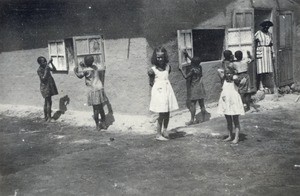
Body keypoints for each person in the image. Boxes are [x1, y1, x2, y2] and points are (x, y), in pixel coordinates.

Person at [148, 47, 179, 141]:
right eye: (158, 57)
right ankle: (158, 134)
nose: (160, 59)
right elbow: (151, 83)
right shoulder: (152, 70)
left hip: (167, 90)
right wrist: (158, 90)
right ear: (155, 57)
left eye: (162, 57)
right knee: (161, 113)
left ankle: (165, 130)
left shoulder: (168, 67)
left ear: (165, 57)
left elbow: (166, 77)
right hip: (159, 92)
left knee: (167, 111)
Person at [217, 51, 245, 144]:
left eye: (230, 73)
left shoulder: (235, 79)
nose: (228, 75)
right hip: (226, 100)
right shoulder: (224, 80)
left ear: (233, 73)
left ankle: (236, 137)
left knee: (235, 119)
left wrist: (237, 78)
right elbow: (219, 72)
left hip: (233, 100)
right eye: (227, 73)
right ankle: (230, 135)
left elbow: (240, 83)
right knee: (228, 118)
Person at [74, 55, 107, 131]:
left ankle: (97, 125)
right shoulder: (95, 67)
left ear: (85, 62)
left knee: (95, 109)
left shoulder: (85, 70)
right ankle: (104, 124)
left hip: (92, 90)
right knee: (101, 107)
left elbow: (80, 76)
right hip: (99, 88)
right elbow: (89, 67)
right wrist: (84, 65)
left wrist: (75, 71)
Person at [180, 50, 206, 125]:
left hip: (194, 88)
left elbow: (185, 77)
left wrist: (181, 70)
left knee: (193, 104)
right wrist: (188, 56)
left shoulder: (192, 70)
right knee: (202, 104)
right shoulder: (199, 67)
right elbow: (194, 62)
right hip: (201, 87)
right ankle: (203, 119)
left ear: (193, 63)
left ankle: (192, 120)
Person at [37, 56, 58, 122]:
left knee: (47, 101)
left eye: (46, 61)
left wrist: (51, 63)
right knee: (48, 101)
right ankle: (49, 117)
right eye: (44, 62)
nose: (46, 62)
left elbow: (54, 70)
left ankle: (46, 117)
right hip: (45, 86)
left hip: (49, 85)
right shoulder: (39, 70)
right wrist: (47, 67)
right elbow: (43, 78)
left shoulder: (47, 67)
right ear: (40, 63)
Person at [255, 20, 274, 91]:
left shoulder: (270, 34)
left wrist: (273, 52)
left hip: (268, 52)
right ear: (262, 26)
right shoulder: (258, 33)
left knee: (266, 70)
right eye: (265, 26)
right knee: (260, 69)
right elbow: (255, 43)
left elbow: (271, 44)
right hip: (261, 51)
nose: (267, 28)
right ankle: (260, 85)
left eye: (268, 27)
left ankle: (265, 84)